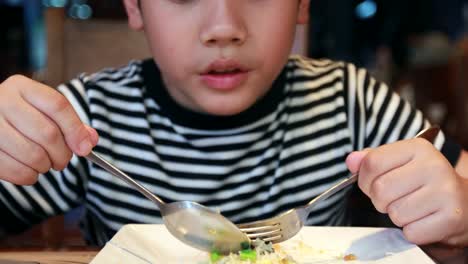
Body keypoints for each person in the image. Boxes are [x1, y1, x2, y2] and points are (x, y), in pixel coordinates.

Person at [0, 0, 467, 248]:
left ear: (302, 3)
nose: (224, 26)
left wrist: (459, 209)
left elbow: (459, 183)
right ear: (136, 7)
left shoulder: (351, 99)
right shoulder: (87, 114)